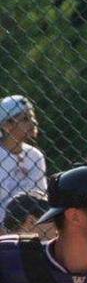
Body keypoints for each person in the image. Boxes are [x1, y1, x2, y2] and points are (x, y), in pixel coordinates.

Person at [0, 95, 46, 227]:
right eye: (25, 119)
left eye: (32, 117)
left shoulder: (35, 156)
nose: (34, 122)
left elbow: (40, 197)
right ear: (6, 125)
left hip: (31, 227)